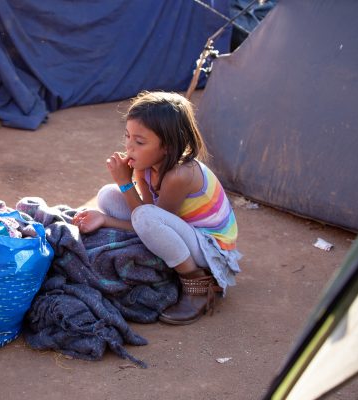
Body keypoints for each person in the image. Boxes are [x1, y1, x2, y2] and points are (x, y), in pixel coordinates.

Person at [72, 91, 241, 325]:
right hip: (178, 228)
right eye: (127, 136)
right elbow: (148, 214)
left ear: (168, 148)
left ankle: (198, 284)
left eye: (139, 142)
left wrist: (125, 182)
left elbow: (149, 219)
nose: (129, 147)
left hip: (209, 247)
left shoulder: (180, 174)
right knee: (107, 195)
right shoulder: (148, 164)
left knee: (138, 209)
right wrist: (106, 215)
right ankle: (173, 260)